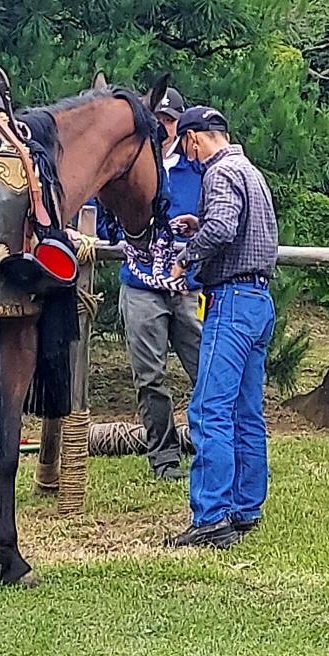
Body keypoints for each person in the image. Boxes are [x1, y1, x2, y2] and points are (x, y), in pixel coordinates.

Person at [164, 105, 277, 550]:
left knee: (209, 409)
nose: (188, 155)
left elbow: (225, 228)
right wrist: (203, 223)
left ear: (194, 138)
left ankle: (210, 517)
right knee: (247, 411)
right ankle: (246, 507)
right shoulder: (250, 171)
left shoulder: (219, 173)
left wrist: (187, 254)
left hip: (229, 302)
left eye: (185, 145)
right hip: (259, 301)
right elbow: (242, 227)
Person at [97, 87, 205, 480]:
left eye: (169, 121)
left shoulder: (199, 168)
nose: (162, 128)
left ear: (180, 124)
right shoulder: (124, 164)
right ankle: (163, 456)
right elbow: (103, 220)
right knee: (149, 375)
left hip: (189, 285)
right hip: (140, 285)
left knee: (205, 369)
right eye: (156, 120)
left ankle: (213, 445)